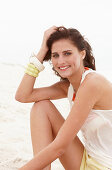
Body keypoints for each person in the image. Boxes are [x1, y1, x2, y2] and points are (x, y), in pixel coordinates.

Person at [15, 26, 112, 170]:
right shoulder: (68, 86)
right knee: (41, 106)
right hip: (87, 160)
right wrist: (42, 51)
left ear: (82, 54)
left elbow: (60, 147)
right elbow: (23, 95)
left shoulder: (92, 83)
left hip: (105, 166)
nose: (60, 61)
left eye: (67, 53)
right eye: (55, 55)